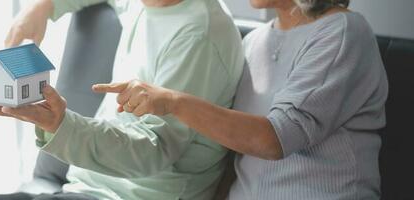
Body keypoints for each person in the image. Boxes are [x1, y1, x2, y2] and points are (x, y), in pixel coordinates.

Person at [0, 0, 243, 199]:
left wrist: (60, 124)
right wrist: (44, 7)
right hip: (84, 190)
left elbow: (153, 152)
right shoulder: (150, 5)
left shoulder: (198, 35)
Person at [92, 0, 389, 199]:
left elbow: (275, 140)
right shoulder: (254, 42)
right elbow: (234, 155)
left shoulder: (343, 31)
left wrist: (173, 102)